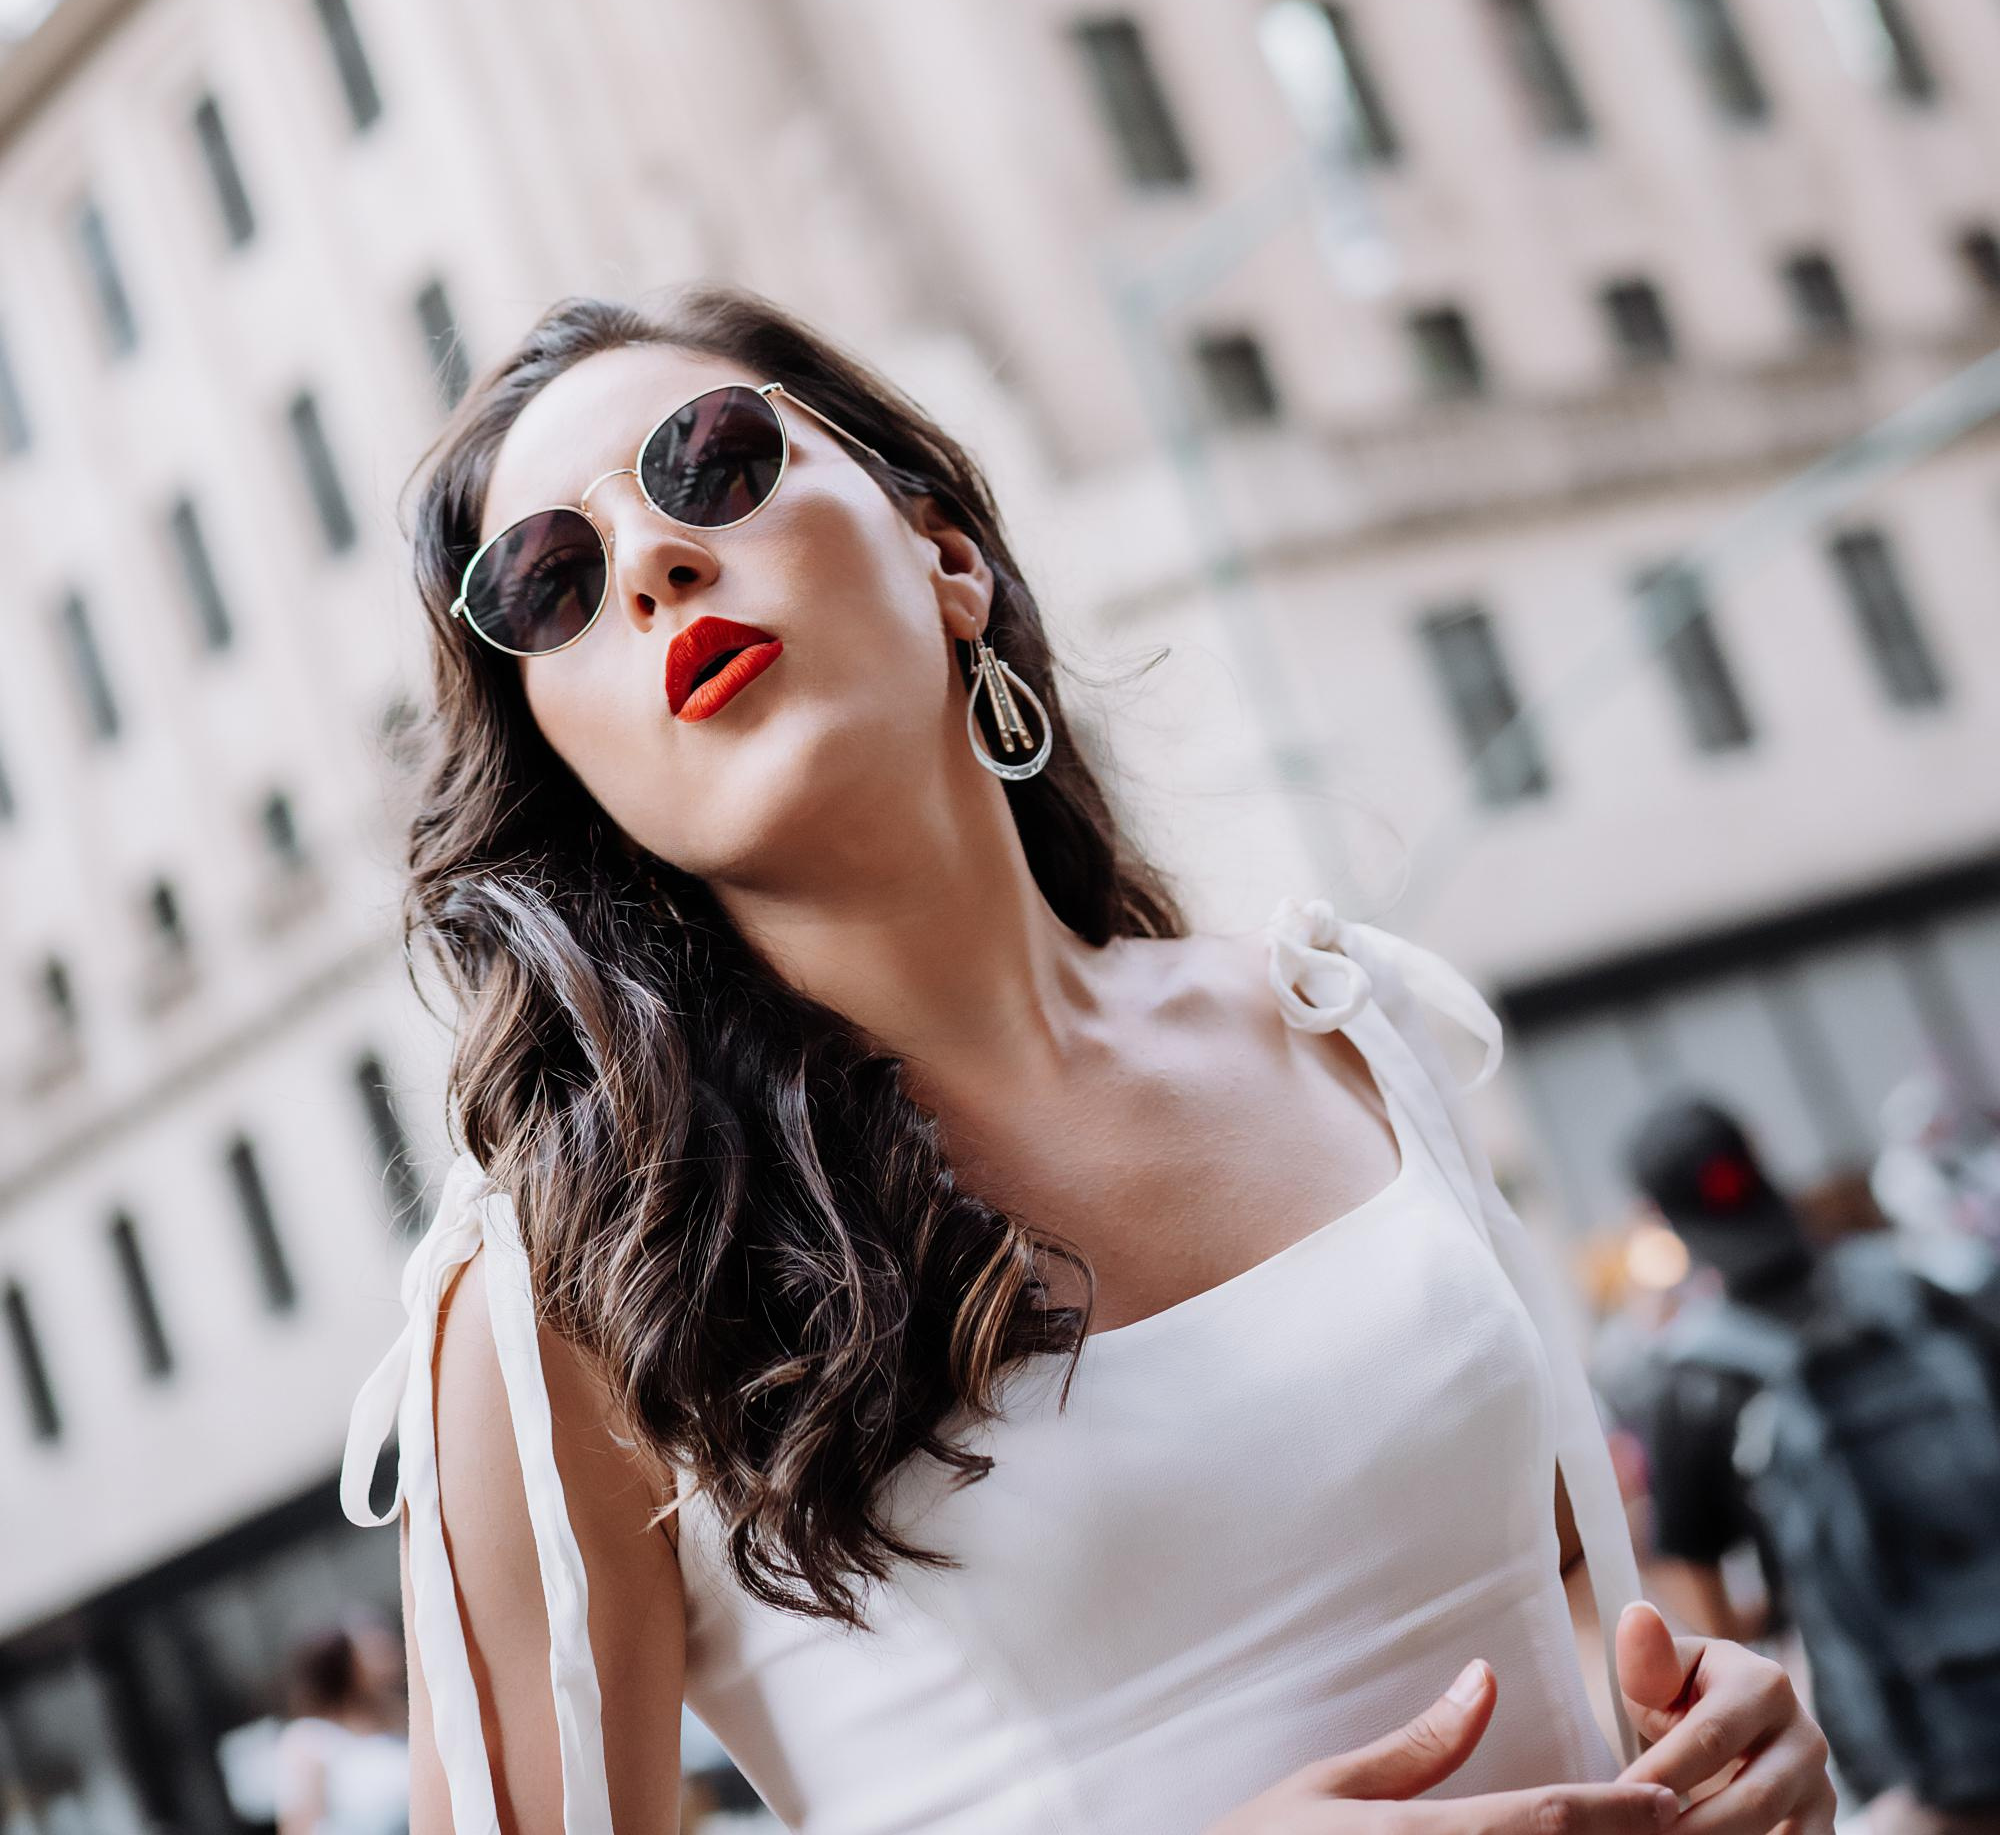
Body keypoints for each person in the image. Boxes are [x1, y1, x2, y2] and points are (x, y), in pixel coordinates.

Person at [344, 286, 1834, 1835]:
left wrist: (1716, 1723)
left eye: (709, 463)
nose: (653, 563)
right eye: (548, 585)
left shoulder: (1337, 1025)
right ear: (569, 764)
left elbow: (1567, 1581)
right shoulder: (564, 1306)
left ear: (945, 556)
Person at [1627, 1094, 2000, 1833]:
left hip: (1910, 1757)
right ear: (1759, 1154)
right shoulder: (1915, 1289)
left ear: (1659, 1215)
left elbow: (1695, 1584)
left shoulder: (1694, 1378)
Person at [273, 1615, 410, 1835]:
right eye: (369, 1648)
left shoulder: (398, 1715)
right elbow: (299, 1827)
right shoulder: (309, 1740)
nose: (386, 1649)